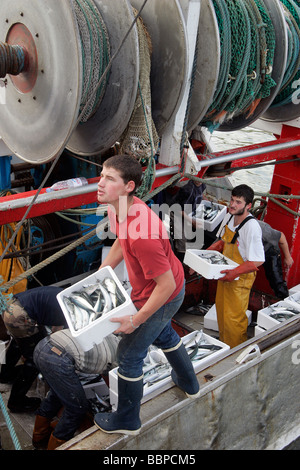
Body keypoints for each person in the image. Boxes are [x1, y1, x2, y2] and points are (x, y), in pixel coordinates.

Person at [94, 154, 200, 436]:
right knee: (164, 334)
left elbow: (164, 287)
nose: (100, 183)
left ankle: (128, 420)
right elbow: (120, 240)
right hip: (154, 288)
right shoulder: (117, 209)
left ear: (129, 187)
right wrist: (102, 272)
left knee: (129, 353)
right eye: (102, 175)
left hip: (166, 293)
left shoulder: (144, 233)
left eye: (109, 178)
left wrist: (136, 320)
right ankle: (189, 383)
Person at [33, 329, 120, 450]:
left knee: (56, 395)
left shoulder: (111, 337)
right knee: (76, 408)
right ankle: (55, 445)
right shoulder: (120, 358)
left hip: (43, 345)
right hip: (58, 358)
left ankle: (39, 440)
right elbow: (111, 380)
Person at [208, 184, 265, 348]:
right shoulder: (229, 216)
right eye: (232, 200)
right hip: (225, 273)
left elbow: (257, 261)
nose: (232, 204)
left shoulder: (251, 227)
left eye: (238, 202)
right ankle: (225, 346)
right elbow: (222, 242)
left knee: (234, 318)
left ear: (248, 206)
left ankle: (236, 352)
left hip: (240, 278)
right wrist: (202, 255)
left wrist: (234, 273)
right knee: (221, 312)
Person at [2, 286, 67, 412]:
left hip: (11, 306)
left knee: (19, 340)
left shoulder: (62, 294)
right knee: (35, 357)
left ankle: (5, 374)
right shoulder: (68, 310)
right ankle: (16, 401)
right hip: (21, 316)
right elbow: (55, 334)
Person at [170, 178, 206, 261]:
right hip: (177, 213)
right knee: (181, 239)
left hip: (188, 213)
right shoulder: (187, 190)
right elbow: (178, 209)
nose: (199, 180)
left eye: (202, 177)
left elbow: (201, 194)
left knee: (188, 236)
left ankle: (186, 256)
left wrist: (208, 201)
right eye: (197, 177)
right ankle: (179, 262)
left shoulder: (203, 184)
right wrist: (191, 221)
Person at [257, 220, 293, 299]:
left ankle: (284, 300)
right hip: (252, 252)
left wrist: (288, 257)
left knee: (276, 281)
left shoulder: (262, 228)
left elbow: (281, 236)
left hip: (269, 251)